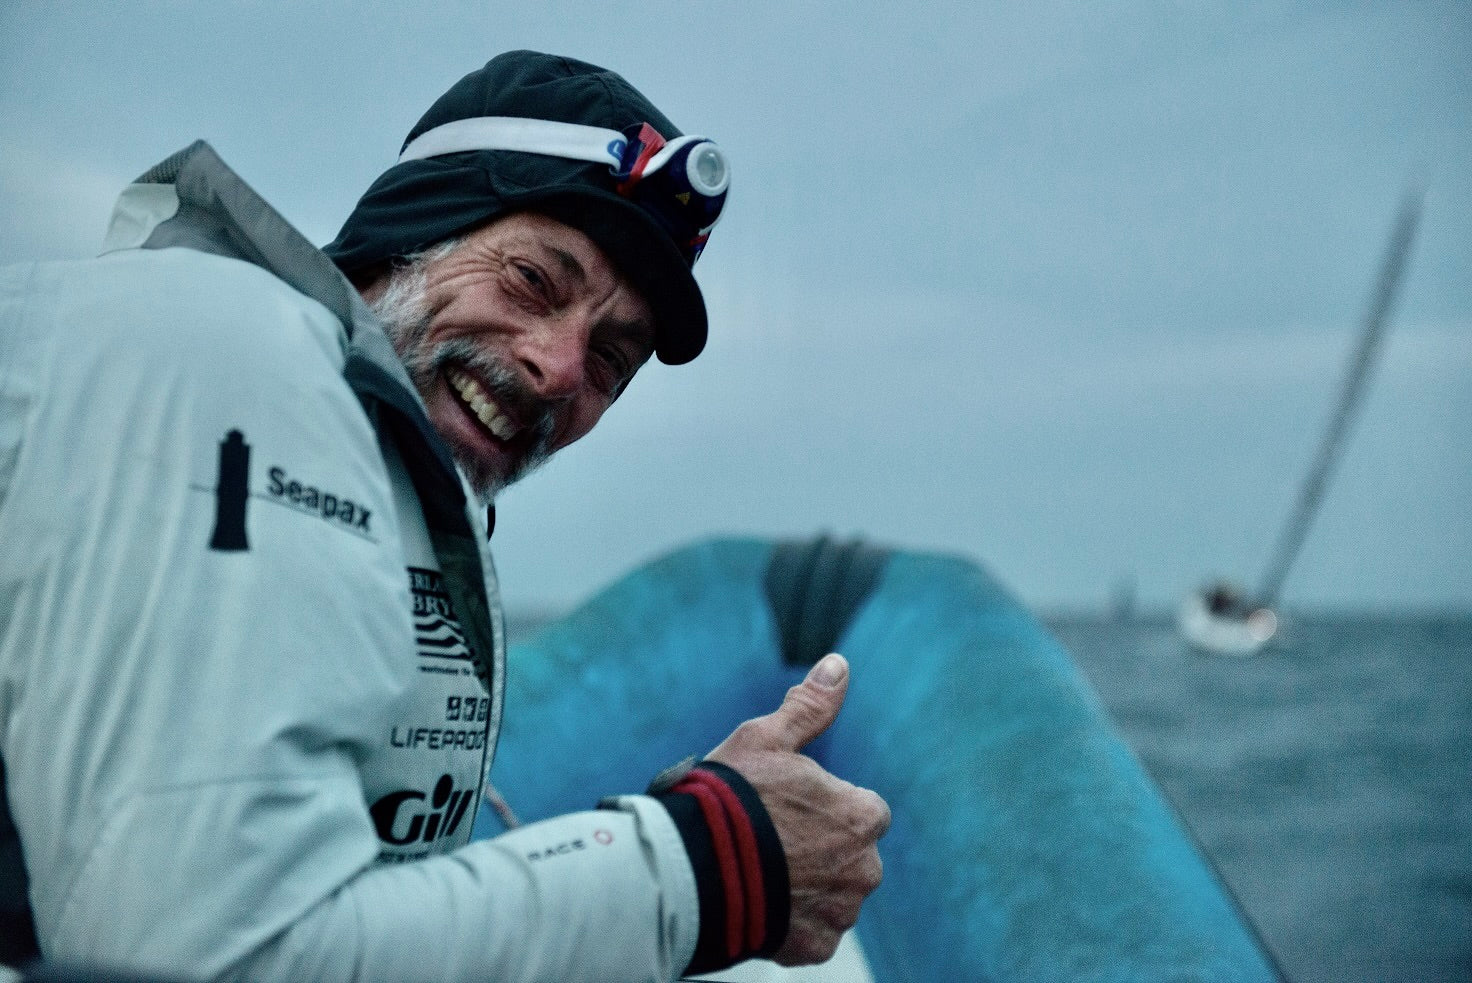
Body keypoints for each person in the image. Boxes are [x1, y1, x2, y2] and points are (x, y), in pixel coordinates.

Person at [0, 50, 888, 981]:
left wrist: (676, 833)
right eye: (533, 281)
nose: (559, 368)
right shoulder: (235, 363)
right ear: (411, 229)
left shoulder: (373, 474)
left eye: (610, 360)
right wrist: (708, 862)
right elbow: (210, 955)